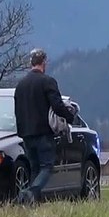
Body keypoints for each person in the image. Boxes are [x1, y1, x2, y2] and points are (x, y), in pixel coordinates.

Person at [12, 49, 74, 205]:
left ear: (30, 63)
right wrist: (69, 117)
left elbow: (17, 110)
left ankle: (32, 203)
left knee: (34, 168)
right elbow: (57, 106)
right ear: (44, 62)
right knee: (47, 166)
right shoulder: (48, 82)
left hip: (26, 134)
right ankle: (30, 192)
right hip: (43, 133)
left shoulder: (20, 86)